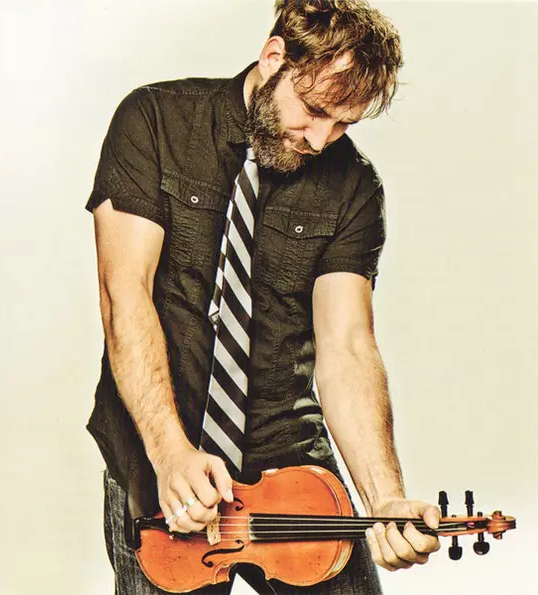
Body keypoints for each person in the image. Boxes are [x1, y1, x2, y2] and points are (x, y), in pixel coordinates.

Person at [85, 1, 441, 593]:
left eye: (345, 124)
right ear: (275, 57)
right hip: (160, 446)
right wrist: (170, 454)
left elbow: (348, 346)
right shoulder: (154, 121)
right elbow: (125, 295)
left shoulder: (354, 185)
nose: (322, 139)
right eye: (315, 110)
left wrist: (385, 498)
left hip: (291, 461)